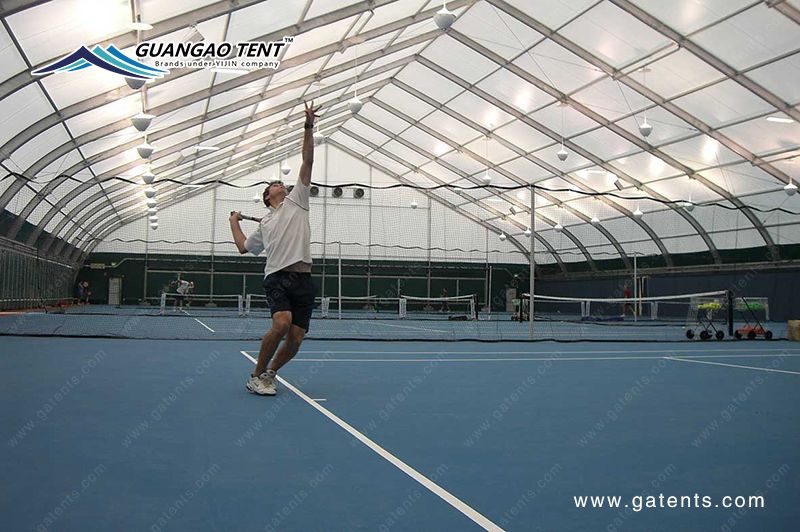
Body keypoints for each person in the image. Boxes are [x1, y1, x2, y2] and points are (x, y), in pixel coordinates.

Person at [229, 101, 321, 396]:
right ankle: (255, 374)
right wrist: (234, 221)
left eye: (282, 182)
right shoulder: (264, 225)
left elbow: (307, 162)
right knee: (282, 323)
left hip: (304, 278)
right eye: (274, 184)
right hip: (278, 277)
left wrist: (308, 126)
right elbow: (244, 247)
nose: (281, 183)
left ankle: (269, 373)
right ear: (268, 197)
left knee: (295, 339)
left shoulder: (298, 201)